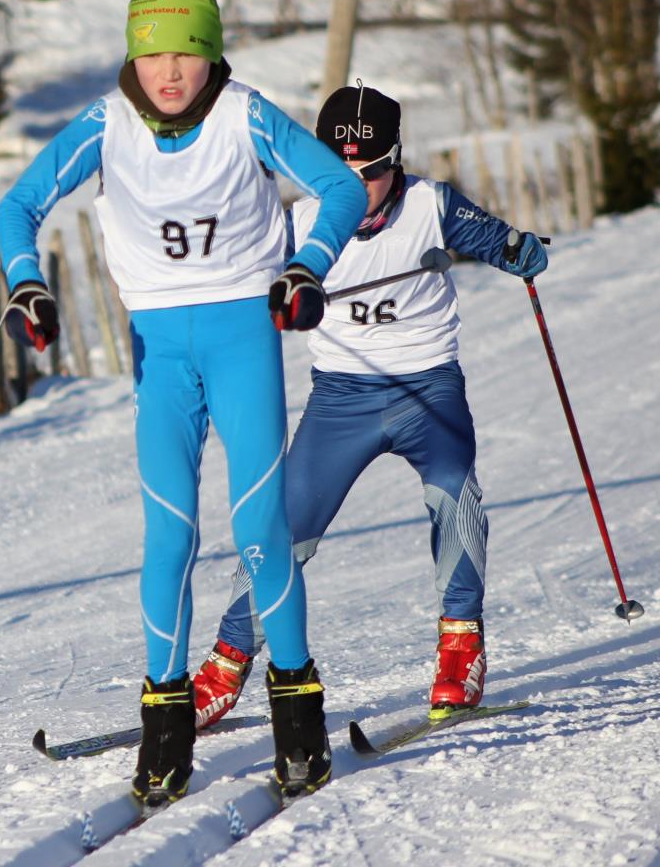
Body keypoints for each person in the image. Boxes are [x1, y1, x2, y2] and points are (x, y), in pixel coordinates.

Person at [0, 0, 368, 804]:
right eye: (154, 52)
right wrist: (26, 281)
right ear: (134, 52)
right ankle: (165, 738)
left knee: (261, 525)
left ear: (211, 54)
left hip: (243, 335)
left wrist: (308, 265)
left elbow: (340, 185)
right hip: (159, 348)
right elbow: (17, 205)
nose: (169, 72)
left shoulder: (245, 115)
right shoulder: (104, 125)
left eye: (188, 53)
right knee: (168, 537)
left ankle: (299, 724)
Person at [193, 80, 549, 729]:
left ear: (397, 160)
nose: (359, 189)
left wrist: (522, 253)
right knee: (283, 527)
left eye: (374, 171)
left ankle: (461, 648)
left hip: (428, 389)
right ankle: (227, 662)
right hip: (341, 400)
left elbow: (498, 240)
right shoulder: (297, 224)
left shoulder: (431, 207)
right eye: (340, 173)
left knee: (454, 491)